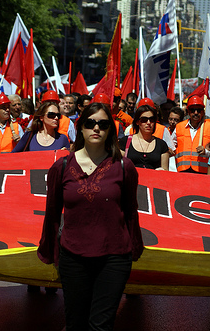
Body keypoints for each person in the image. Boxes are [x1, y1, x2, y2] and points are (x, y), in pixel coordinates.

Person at [37, 102, 144, 331]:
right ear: (81, 128)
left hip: (114, 258)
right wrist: (52, 252)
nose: (96, 128)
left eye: (103, 124)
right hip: (73, 258)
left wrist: (135, 247)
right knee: (76, 324)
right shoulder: (62, 167)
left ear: (110, 130)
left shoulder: (124, 167)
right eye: (90, 123)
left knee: (100, 326)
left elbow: (131, 211)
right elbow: (52, 214)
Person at [172, 95, 210, 173]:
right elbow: (171, 148)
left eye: (198, 110)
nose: (196, 113)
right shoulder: (179, 127)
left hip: (202, 173)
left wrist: (206, 152)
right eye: (193, 110)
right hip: (182, 172)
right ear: (188, 111)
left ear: (203, 111)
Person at [119, 105, 169, 170]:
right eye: (144, 120)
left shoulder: (162, 145)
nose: (148, 123)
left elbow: (165, 172)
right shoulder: (125, 142)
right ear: (137, 122)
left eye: (152, 120)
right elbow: (118, 169)